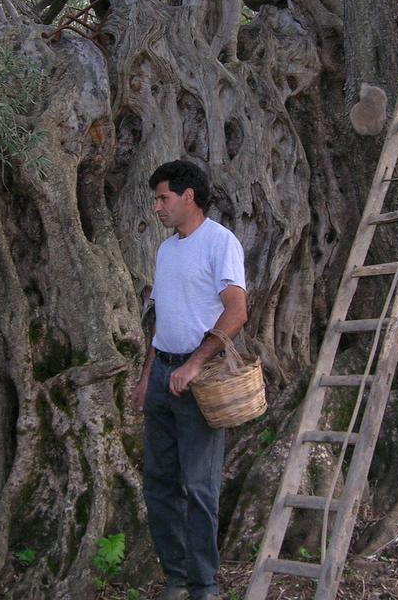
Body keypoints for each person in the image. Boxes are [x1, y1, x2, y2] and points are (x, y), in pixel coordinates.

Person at [131, 161, 248, 600]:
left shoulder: (220, 243)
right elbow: (161, 318)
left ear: (188, 197)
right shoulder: (166, 250)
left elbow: (236, 311)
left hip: (199, 380)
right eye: (157, 198)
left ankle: (204, 585)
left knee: (199, 485)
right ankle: (176, 579)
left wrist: (195, 363)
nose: (157, 206)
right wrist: (148, 376)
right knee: (159, 483)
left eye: (163, 197)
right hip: (162, 374)